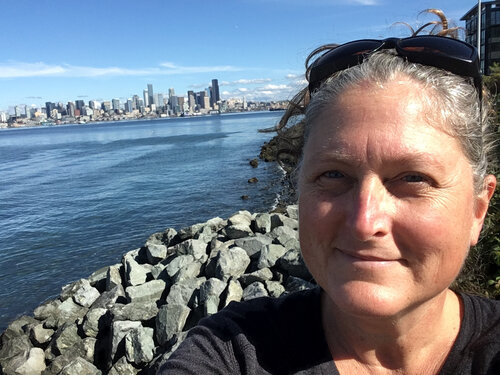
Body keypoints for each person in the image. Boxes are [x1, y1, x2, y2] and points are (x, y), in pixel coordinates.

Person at [159, 14, 499, 375]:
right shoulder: (233, 350)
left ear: (478, 209)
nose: (364, 222)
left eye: (413, 178)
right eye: (333, 174)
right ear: (299, 191)